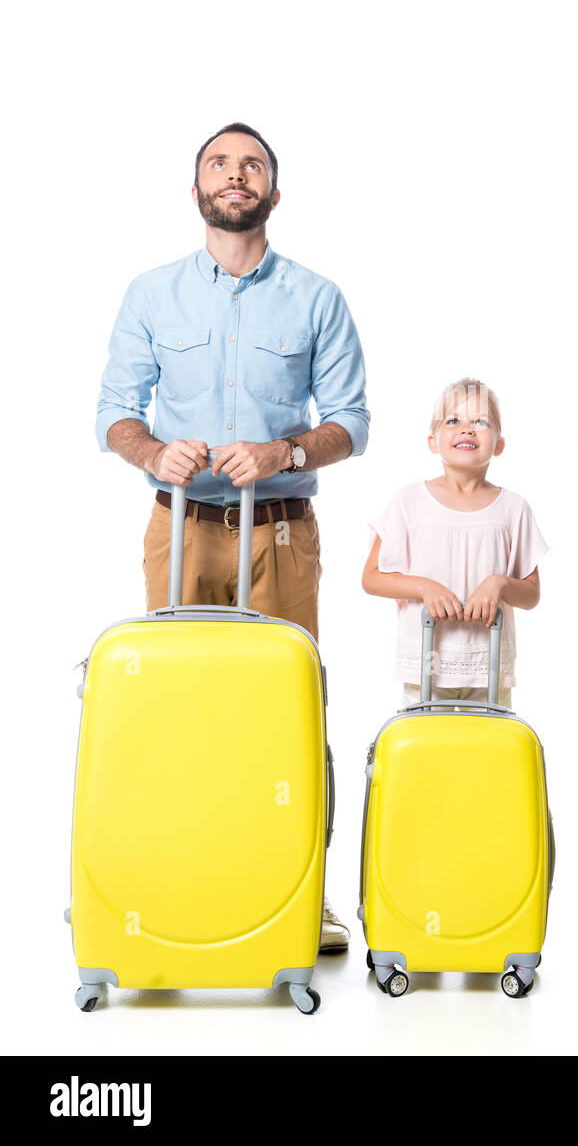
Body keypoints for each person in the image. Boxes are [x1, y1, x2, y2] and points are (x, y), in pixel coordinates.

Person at [96, 121, 370, 951]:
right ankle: (183, 882)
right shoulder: (152, 294)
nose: (235, 174)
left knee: (288, 711)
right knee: (179, 709)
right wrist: (153, 451)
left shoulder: (317, 298)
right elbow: (115, 414)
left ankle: (304, 892)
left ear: (273, 193)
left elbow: (351, 422)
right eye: (219, 163)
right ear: (196, 192)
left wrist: (285, 451)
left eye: (251, 165)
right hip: (180, 528)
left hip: (279, 536)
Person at [362, 378, 547, 707]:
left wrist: (499, 583)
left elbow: (531, 594)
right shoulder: (408, 502)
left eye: (480, 422)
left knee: (490, 739)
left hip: (488, 664)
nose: (467, 429)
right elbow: (372, 578)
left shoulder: (513, 508)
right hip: (425, 663)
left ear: (499, 444)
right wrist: (424, 587)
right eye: (453, 420)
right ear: (433, 441)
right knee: (425, 738)